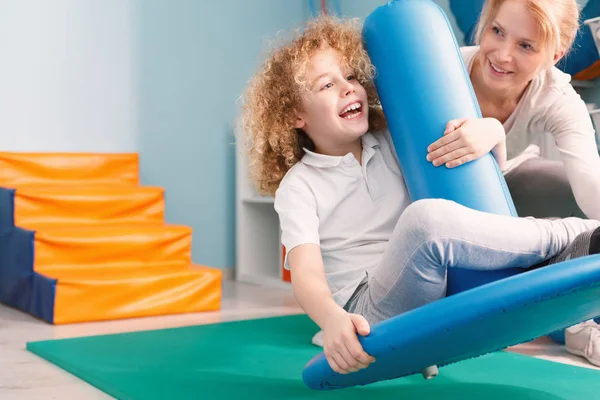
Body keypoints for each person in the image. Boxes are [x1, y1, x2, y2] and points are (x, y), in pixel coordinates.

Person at [240, 15, 600, 375]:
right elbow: (306, 275)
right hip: (368, 310)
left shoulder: (393, 138)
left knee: (445, 225)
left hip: (431, 287)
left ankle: (571, 256)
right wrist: (333, 322)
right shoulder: (299, 186)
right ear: (293, 115)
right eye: (327, 86)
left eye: (351, 77)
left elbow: (481, 170)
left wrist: (492, 129)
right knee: (424, 221)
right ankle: (573, 232)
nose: (349, 88)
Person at [426, 0, 600, 366]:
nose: (503, 55)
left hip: (509, 196)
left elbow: (590, 186)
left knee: (564, 188)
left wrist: (493, 135)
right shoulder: (444, 70)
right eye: (497, 32)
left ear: (555, 55)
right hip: (434, 204)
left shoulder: (553, 95)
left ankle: (574, 318)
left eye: (525, 46)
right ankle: (565, 324)